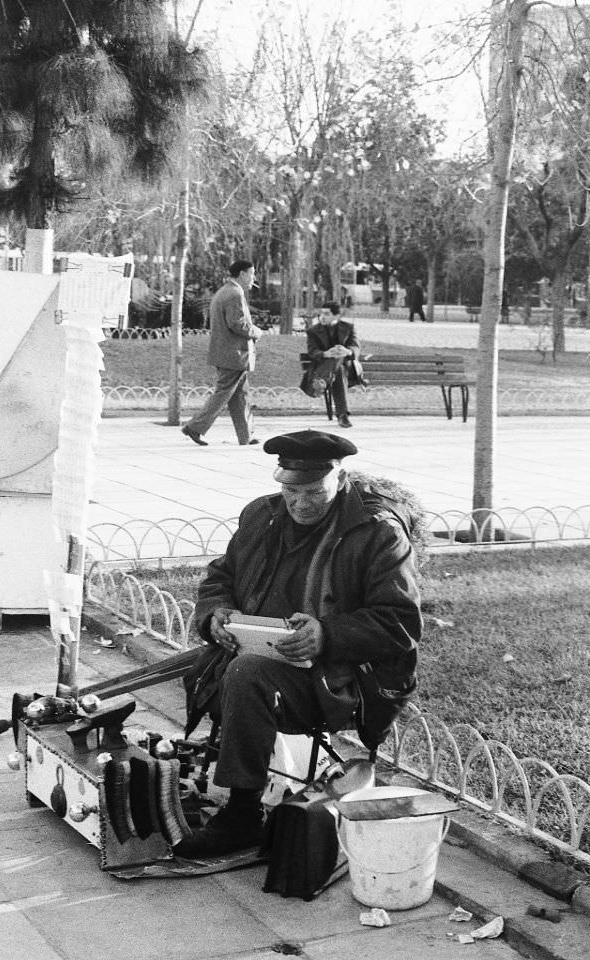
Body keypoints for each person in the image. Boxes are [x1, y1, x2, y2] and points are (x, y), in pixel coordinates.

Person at [173, 429, 422, 859]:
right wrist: (217, 613)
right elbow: (220, 577)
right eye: (290, 491)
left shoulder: (377, 532)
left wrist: (326, 635)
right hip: (260, 659)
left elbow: (400, 624)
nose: (300, 503)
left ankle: (242, 815)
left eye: (313, 492)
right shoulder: (261, 516)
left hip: (341, 681)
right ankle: (241, 791)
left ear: (339, 478)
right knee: (236, 670)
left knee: (246, 674)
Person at [181, 260, 264, 446]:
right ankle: (195, 427)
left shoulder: (225, 291)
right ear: (242, 274)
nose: (253, 278)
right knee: (223, 393)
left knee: (240, 395)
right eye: (252, 273)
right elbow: (237, 323)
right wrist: (256, 331)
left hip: (228, 353)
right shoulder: (235, 293)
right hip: (233, 354)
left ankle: (246, 436)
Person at [305, 301, 360, 428]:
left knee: (340, 361)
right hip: (324, 366)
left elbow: (355, 347)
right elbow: (312, 351)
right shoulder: (313, 331)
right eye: (321, 314)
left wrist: (347, 351)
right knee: (338, 370)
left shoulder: (348, 328)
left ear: (336, 316)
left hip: (348, 369)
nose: (322, 317)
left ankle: (322, 381)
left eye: (326, 314)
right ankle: (343, 415)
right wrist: (325, 354)